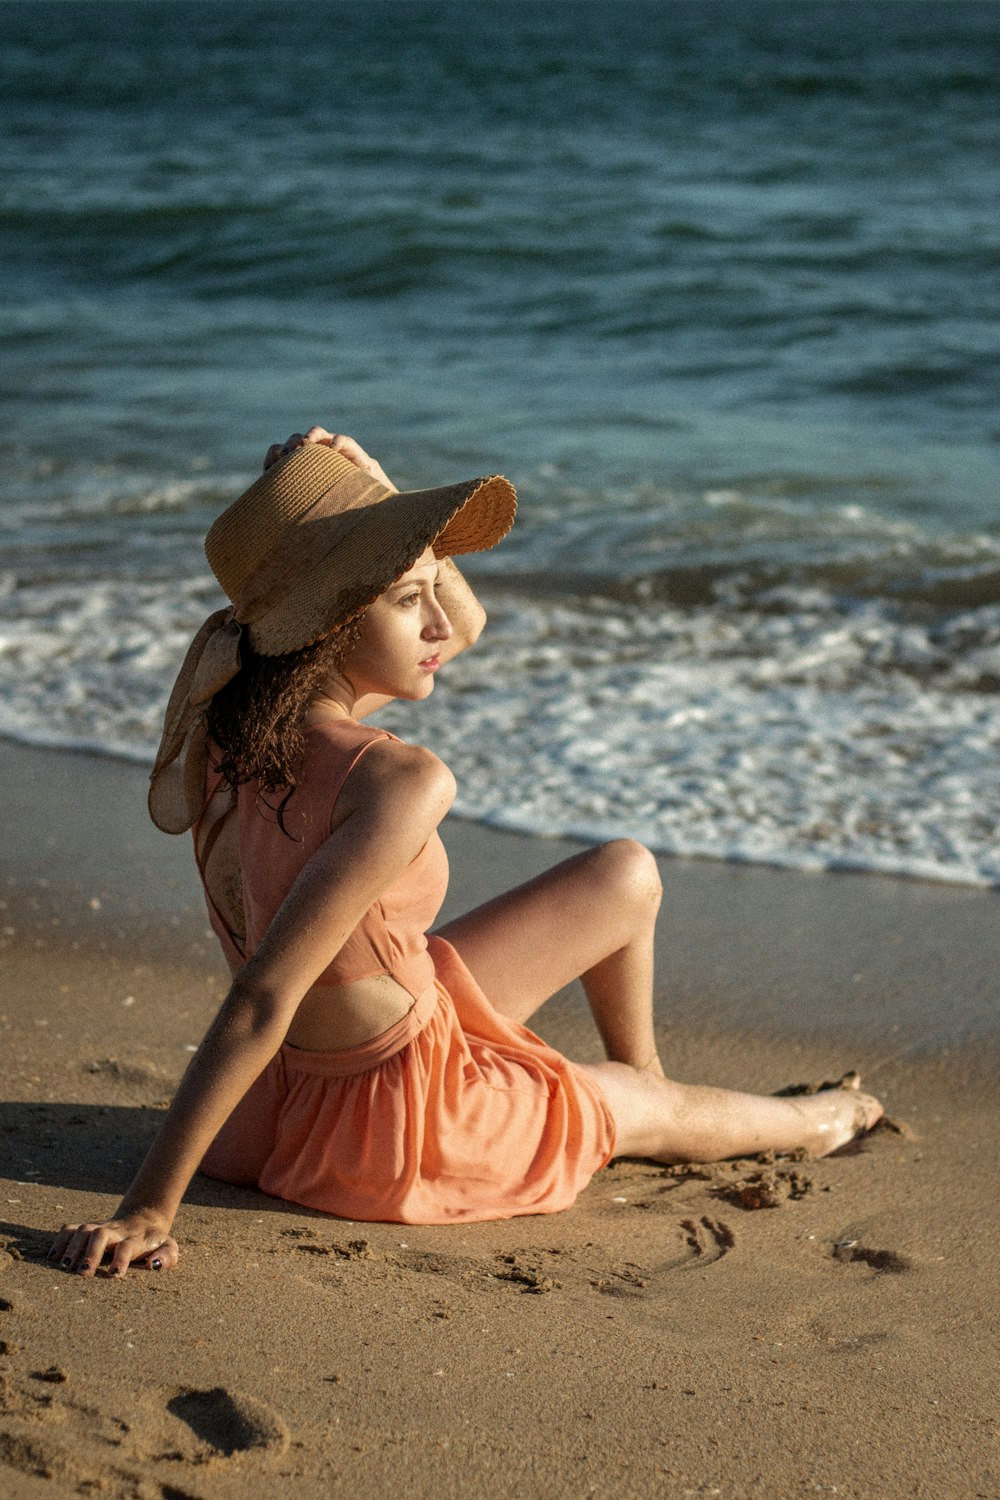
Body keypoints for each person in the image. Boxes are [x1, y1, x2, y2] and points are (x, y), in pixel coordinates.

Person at [50, 428, 882, 1278]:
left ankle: (635, 1091)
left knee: (626, 873)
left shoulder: (227, 725)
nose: (442, 621)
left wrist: (373, 493)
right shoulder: (396, 781)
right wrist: (148, 1209)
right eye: (410, 599)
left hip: (273, 1106)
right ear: (333, 620)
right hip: (393, 1126)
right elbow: (262, 997)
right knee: (685, 1105)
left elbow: (463, 626)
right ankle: (799, 1117)